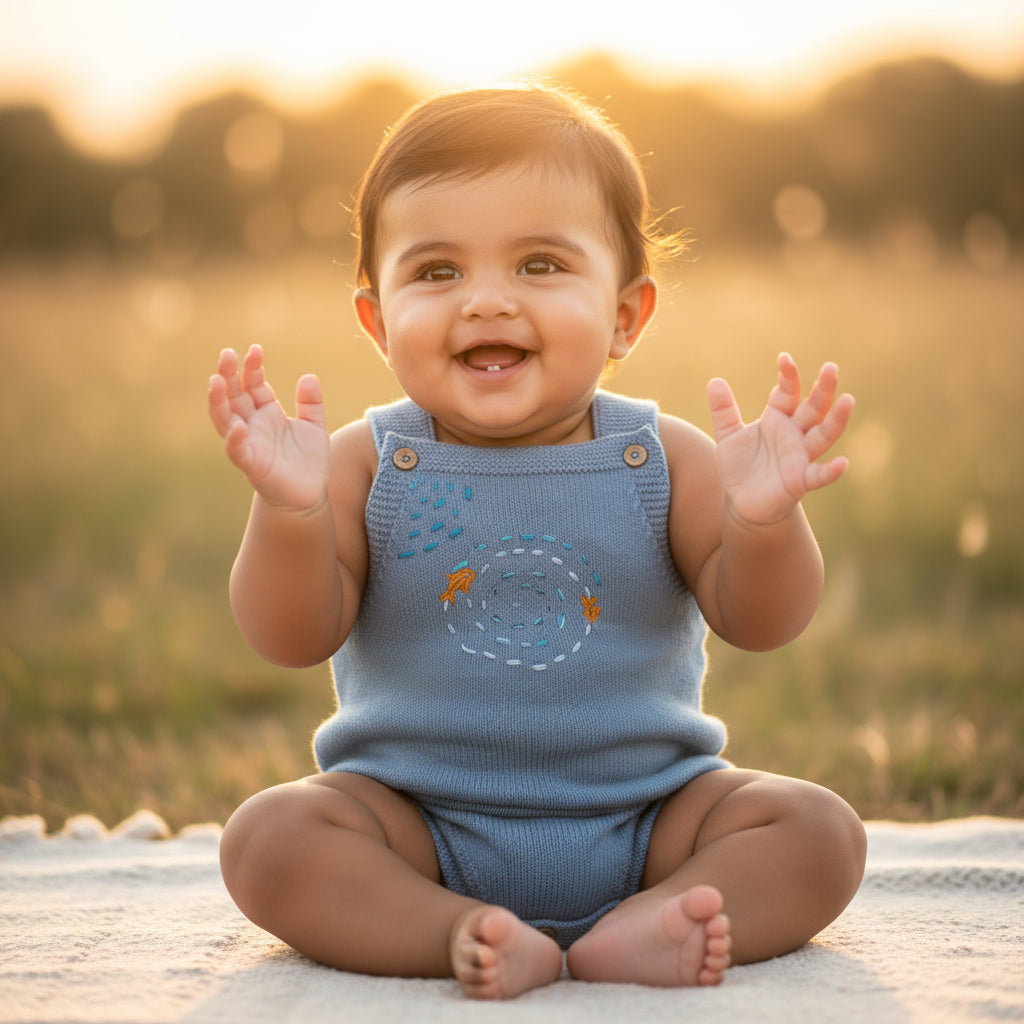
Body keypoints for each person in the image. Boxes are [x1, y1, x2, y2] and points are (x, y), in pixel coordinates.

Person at [207, 83, 866, 1000]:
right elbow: (289, 637)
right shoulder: (363, 465)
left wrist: (763, 521)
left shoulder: (661, 457)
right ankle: (459, 934)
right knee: (267, 839)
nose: (484, 301)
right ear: (378, 318)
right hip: (414, 827)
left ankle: (643, 926)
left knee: (819, 832)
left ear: (627, 314)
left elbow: (764, 622)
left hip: (650, 822)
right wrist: (288, 513)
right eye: (436, 272)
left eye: (540, 264)